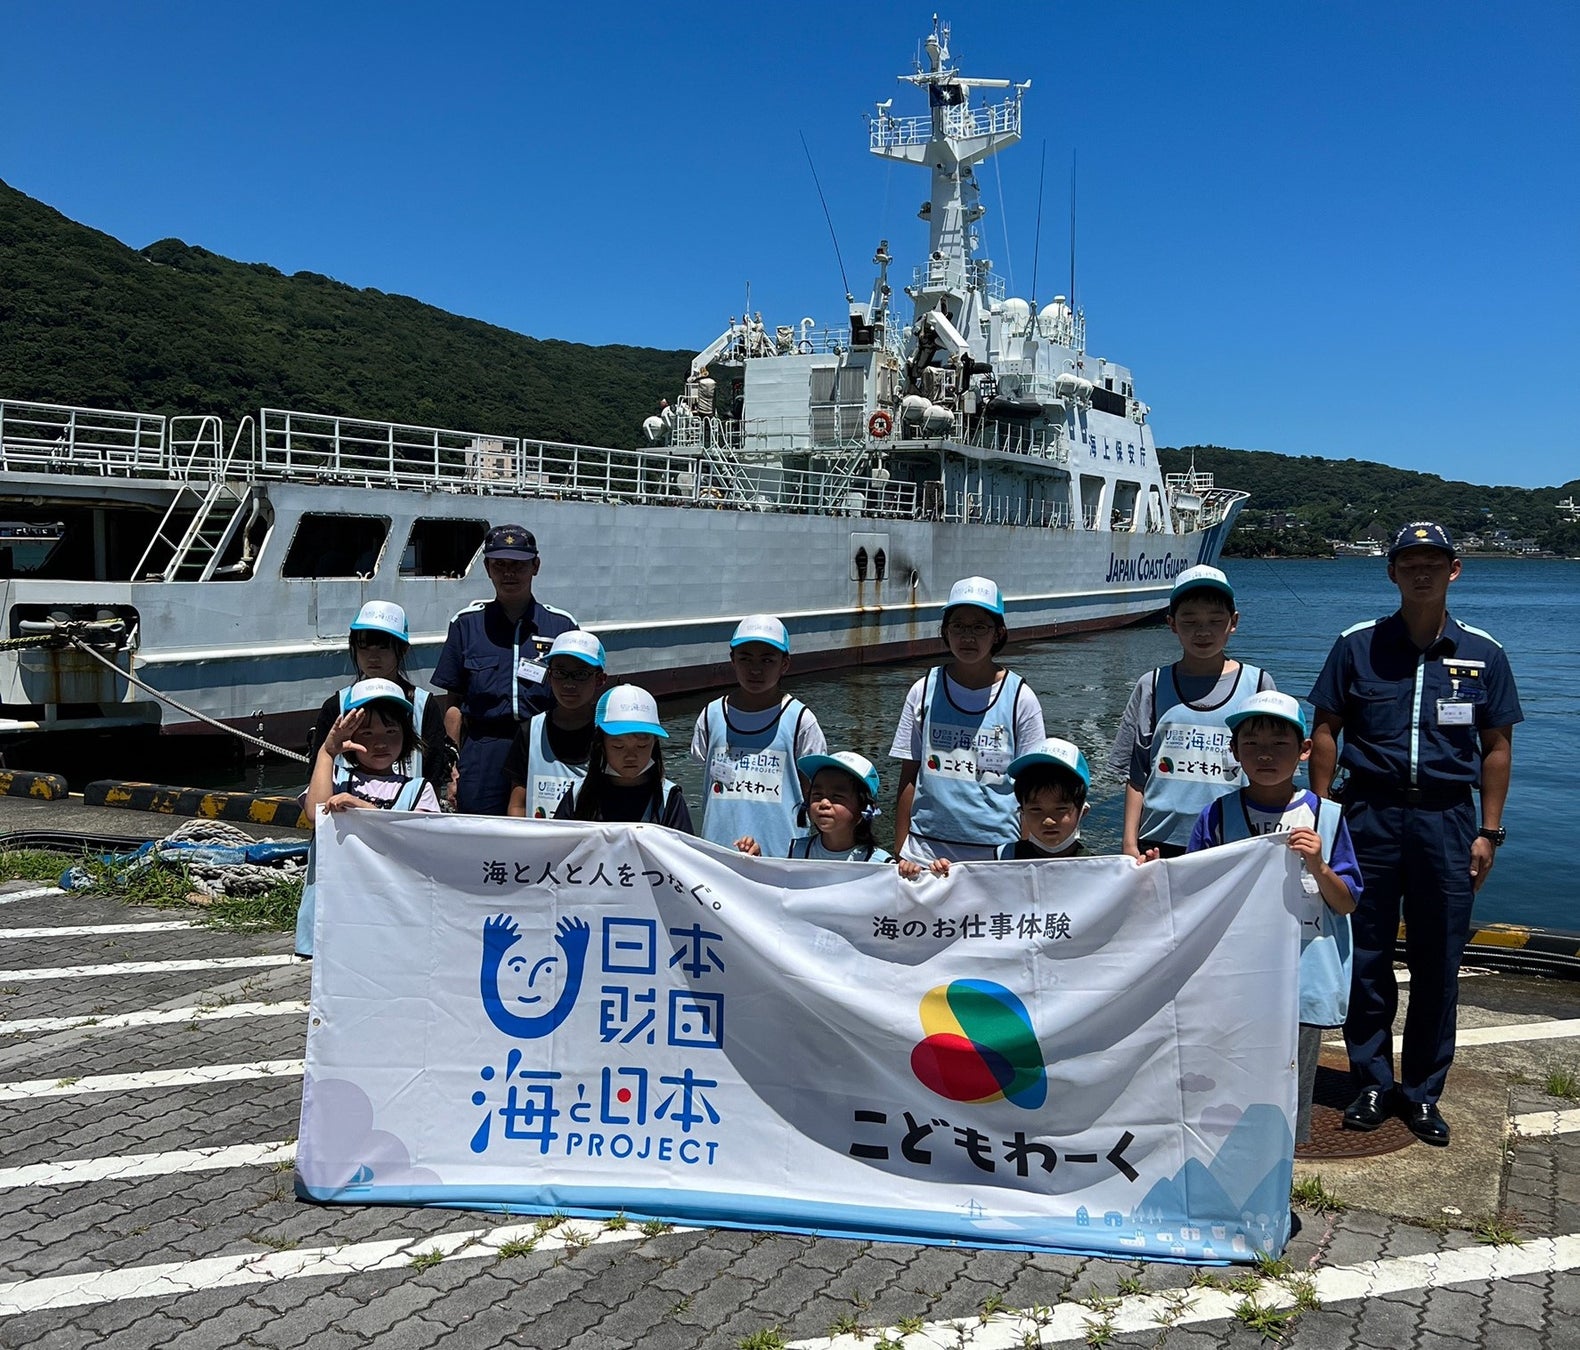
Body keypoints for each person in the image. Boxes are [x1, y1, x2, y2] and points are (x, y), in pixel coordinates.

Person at [1309, 522, 1522, 1147]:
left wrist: (1490, 831)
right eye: (1409, 562)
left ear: (1454, 570)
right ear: (1392, 572)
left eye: (1434, 562)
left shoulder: (1484, 652)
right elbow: (1326, 730)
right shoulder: (1356, 645)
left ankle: (1424, 1092)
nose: (1421, 572)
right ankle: (1371, 1081)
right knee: (1366, 955)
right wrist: (1320, 814)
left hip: (1448, 821)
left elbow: (1497, 747)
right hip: (1367, 816)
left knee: (1439, 960)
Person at [1187, 690, 1362, 1146]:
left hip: (1300, 978)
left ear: (1305, 750)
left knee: (1293, 1079)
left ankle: (1283, 1169)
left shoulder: (1325, 816)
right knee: (1231, 1073)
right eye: (1252, 744)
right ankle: (1229, 1155)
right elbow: (1190, 895)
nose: (1265, 755)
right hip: (1235, 976)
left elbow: (1346, 903)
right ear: (1233, 751)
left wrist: (1321, 867)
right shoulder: (1217, 816)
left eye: (1280, 744)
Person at [1109, 565, 1275, 861]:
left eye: (1215, 620)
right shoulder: (1152, 685)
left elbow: (1271, 768)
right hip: (1158, 838)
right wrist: (1128, 844)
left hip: (1233, 836)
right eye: (1189, 620)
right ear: (1171, 623)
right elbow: (1136, 773)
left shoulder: (1258, 684)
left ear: (1233, 622)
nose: (1202, 631)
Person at [890, 576, 1047, 863]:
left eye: (979, 627)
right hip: (925, 853)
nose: (968, 637)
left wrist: (1024, 857)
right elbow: (909, 776)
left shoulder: (1020, 698)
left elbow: (1032, 788)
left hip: (997, 854)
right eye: (958, 626)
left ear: (998, 633)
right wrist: (900, 851)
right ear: (945, 631)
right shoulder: (923, 690)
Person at [431, 524, 577, 816]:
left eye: (518, 565)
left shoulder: (561, 626)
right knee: (479, 831)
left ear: (535, 566)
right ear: (487, 568)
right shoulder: (466, 625)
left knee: (548, 831)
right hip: (484, 750)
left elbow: (578, 700)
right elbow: (453, 704)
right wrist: (455, 766)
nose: (509, 573)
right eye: (500, 565)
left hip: (543, 746)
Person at [295, 678, 442, 957]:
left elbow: (418, 839)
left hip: (390, 919)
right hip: (334, 914)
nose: (380, 743)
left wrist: (360, 807)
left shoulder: (419, 789)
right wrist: (327, 752)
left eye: (391, 731)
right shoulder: (336, 777)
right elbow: (315, 812)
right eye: (367, 733)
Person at [692, 616, 826, 860]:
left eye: (767, 660)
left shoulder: (801, 721)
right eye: (745, 658)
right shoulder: (711, 715)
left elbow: (815, 792)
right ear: (732, 660)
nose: (755, 669)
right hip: (716, 855)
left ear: (784, 664)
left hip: (781, 857)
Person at [307, 600, 453, 801]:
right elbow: (317, 778)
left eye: (383, 647)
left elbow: (433, 774)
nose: (373, 657)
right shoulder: (336, 706)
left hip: (404, 819)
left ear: (403, 650)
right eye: (364, 647)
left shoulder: (423, 705)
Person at [734, 750, 945, 879]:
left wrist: (919, 875)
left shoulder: (880, 864)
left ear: (863, 810)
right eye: (817, 794)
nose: (824, 803)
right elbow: (774, 891)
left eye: (837, 797)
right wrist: (756, 860)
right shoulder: (797, 851)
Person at [555, 685, 694, 833]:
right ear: (601, 745)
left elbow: (684, 852)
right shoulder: (577, 795)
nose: (631, 756)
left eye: (642, 746)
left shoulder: (669, 798)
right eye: (618, 746)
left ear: (654, 743)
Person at [504, 630, 608, 819]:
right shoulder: (530, 731)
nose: (569, 684)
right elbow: (518, 803)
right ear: (549, 676)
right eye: (560, 673)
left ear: (600, 679)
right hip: (541, 843)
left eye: (581, 674)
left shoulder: (609, 732)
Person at [998, 737, 1092, 859]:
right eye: (1036, 809)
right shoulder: (1004, 857)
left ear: (1083, 811)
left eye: (1061, 809)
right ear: (1022, 812)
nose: (1048, 821)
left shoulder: (1101, 867)